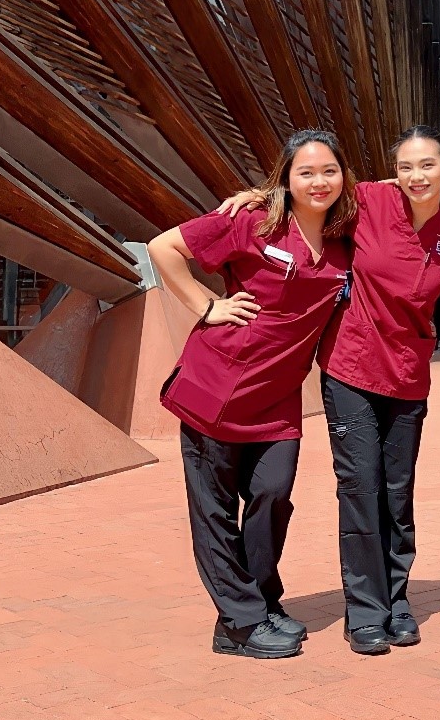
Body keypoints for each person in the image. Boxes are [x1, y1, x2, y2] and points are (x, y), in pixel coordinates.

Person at [220, 127, 440, 656]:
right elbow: (312, 199)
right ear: (393, 171)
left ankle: (397, 600)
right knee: (361, 488)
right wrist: (263, 196)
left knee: (397, 494)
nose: (416, 176)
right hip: (351, 369)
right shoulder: (369, 201)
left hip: (408, 376)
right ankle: (366, 610)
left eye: (428, 165)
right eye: (406, 166)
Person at [149, 129, 353, 660]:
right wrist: (204, 304)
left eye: (328, 170)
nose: (318, 181)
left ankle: (258, 601)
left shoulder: (342, 238)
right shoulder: (253, 222)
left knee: (271, 496)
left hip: (279, 395)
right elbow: (164, 247)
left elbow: (400, 189)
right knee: (214, 510)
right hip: (216, 386)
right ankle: (239, 623)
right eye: (305, 172)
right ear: (286, 177)